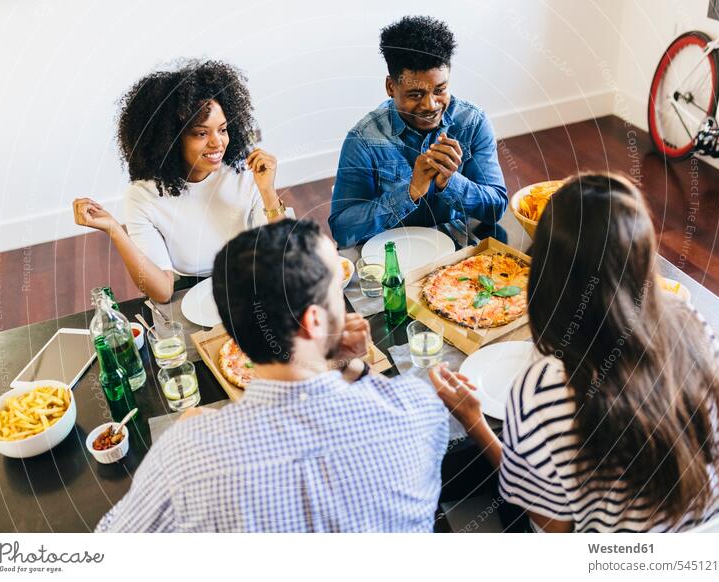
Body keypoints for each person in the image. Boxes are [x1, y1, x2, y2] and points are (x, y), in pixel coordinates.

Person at [95, 219, 450, 532]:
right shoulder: (418, 408)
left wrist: (191, 434)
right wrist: (354, 369)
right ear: (314, 322)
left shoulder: (185, 456)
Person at [431, 173, 719, 532]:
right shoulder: (693, 324)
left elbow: (553, 525)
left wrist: (474, 422)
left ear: (546, 273)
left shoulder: (542, 387)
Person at [73, 60, 287, 303]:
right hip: (193, 291)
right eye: (201, 133)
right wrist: (115, 230)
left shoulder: (244, 170)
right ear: (171, 140)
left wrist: (268, 192)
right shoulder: (142, 195)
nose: (218, 143)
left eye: (223, 129)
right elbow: (163, 292)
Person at [328, 16, 508, 248]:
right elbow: (342, 230)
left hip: (458, 258)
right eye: (415, 94)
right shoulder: (364, 140)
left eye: (440, 90)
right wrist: (410, 192)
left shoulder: (472, 123)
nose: (431, 105)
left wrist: (450, 182)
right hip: (393, 258)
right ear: (391, 87)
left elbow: (496, 209)